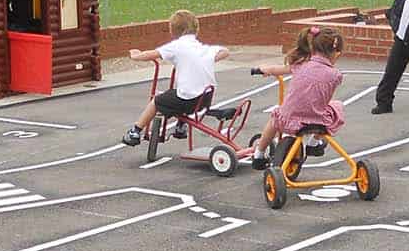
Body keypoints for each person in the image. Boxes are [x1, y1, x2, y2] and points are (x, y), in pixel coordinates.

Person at [120, 10, 230, 147]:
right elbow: (225, 51)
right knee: (181, 92)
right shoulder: (203, 48)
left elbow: (153, 54)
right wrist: (208, 60)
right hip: (205, 99)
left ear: (174, 31)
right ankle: (180, 127)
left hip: (189, 100)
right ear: (196, 30)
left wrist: (136, 55)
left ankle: (135, 132)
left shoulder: (177, 46)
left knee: (157, 101)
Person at [248, 25, 347, 170]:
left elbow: (277, 69)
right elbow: (323, 98)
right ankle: (313, 143)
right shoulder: (336, 75)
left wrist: (265, 69)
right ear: (336, 54)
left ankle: (259, 153)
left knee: (274, 118)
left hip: (288, 121)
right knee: (337, 106)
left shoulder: (300, 64)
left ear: (313, 47)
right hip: (317, 123)